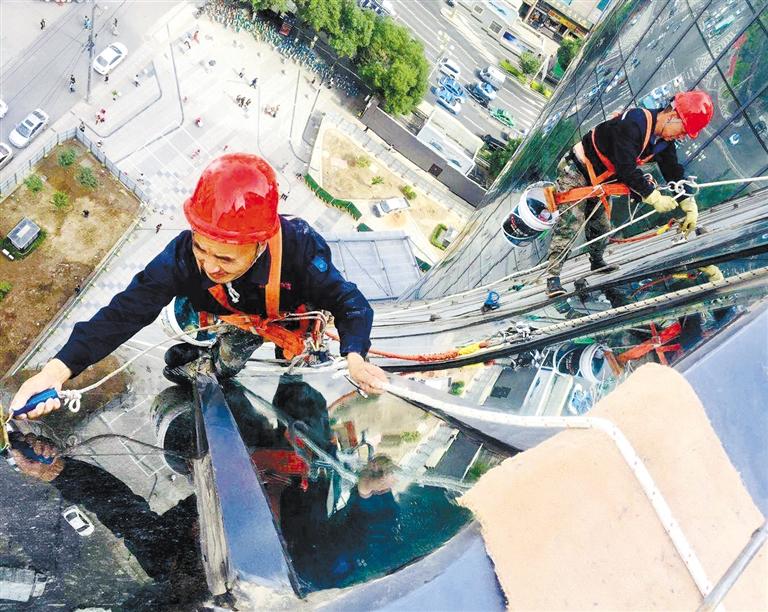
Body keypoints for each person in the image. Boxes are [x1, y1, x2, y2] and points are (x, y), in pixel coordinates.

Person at [11, 154, 388, 419]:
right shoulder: (184, 255)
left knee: (295, 379)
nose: (208, 264)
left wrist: (355, 353)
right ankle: (209, 366)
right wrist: (55, 372)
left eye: (225, 259)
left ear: (259, 245)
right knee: (220, 361)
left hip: (287, 318)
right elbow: (127, 310)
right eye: (201, 248)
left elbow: (349, 302)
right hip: (233, 319)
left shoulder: (300, 249)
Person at [544, 90, 714, 298]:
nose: (681, 136)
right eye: (683, 130)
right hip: (578, 168)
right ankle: (552, 278)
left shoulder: (663, 142)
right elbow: (625, 168)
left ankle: (596, 263)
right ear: (672, 116)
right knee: (571, 223)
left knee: (601, 226)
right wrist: (653, 197)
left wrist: (688, 202)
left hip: (601, 179)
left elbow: (673, 170)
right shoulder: (636, 122)